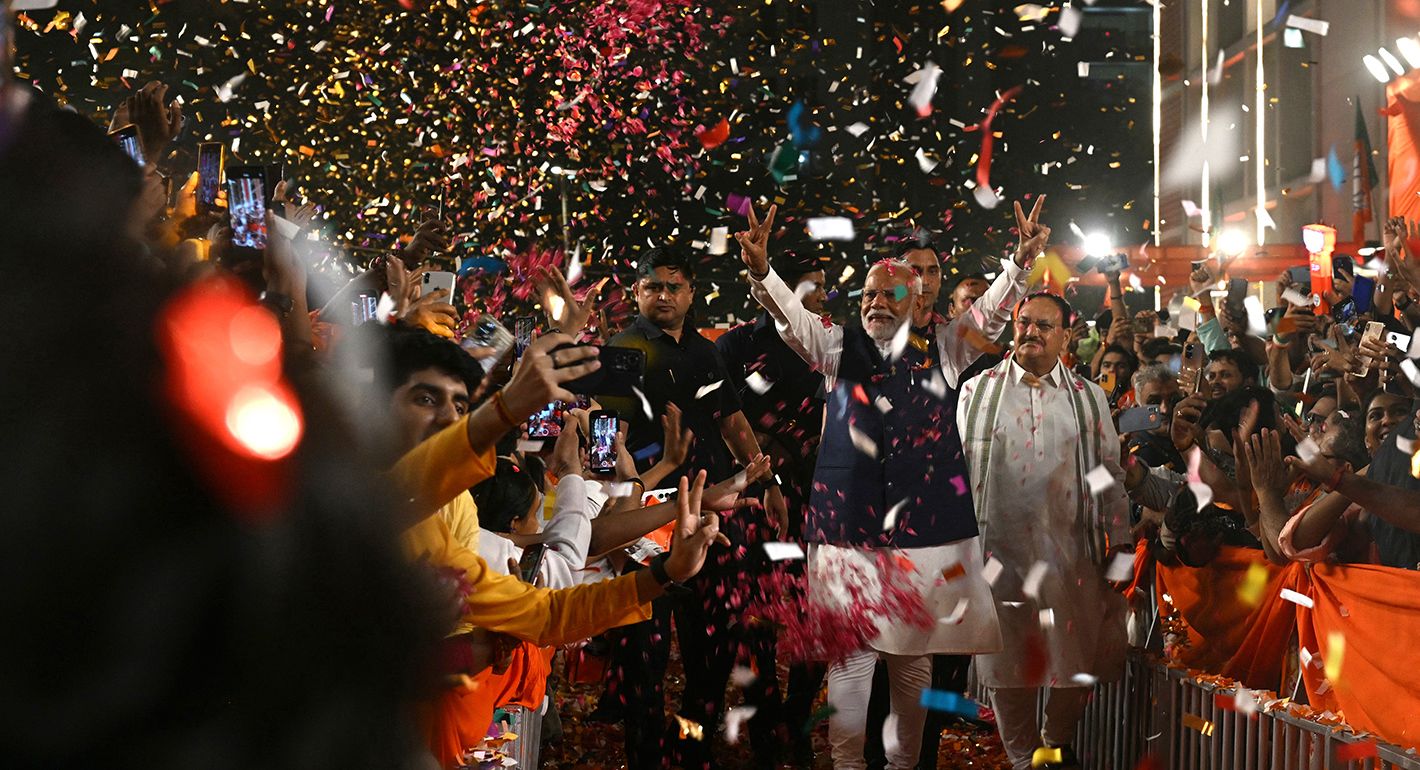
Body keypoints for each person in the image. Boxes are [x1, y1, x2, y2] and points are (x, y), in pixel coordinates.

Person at [738, 196, 1049, 769]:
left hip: (924, 539)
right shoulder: (836, 350)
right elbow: (793, 320)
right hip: (846, 534)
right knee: (850, 665)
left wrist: (1019, 265)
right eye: (868, 296)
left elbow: (992, 316)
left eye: (890, 294)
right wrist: (763, 273)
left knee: (912, 666)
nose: (877, 303)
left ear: (918, 302)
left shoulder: (947, 349)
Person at [599, 245, 786, 770]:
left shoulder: (706, 353)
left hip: (710, 520)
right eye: (652, 286)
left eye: (673, 286)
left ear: (690, 293)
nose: (663, 295)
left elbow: (732, 421)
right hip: (647, 520)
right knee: (645, 659)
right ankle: (644, 758)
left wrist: (765, 478)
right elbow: (604, 443)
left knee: (711, 656)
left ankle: (690, 749)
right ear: (636, 293)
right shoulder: (621, 351)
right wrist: (616, 513)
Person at [957, 292, 1131, 770]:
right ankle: (1022, 759)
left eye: (1044, 326)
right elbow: (958, 474)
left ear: (1066, 337)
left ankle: (1055, 745)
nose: (1031, 332)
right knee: (1006, 664)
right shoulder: (976, 392)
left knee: (1073, 660)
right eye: (1024, 322)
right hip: (998, 553)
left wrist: (1118, 541)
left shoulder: (1088, 397)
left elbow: (1106, 473)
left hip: (1071, 553)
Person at [715, 249, 828, 764]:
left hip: (819, 499)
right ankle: (763, 716)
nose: (823, 296)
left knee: (815, 613)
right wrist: (766, 470)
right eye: (811, 285)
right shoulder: (738, 344)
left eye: (825, 286)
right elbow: (730, 418)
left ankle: (798, 715)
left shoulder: (828, 346)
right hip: (757, 500)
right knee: (753, 612)